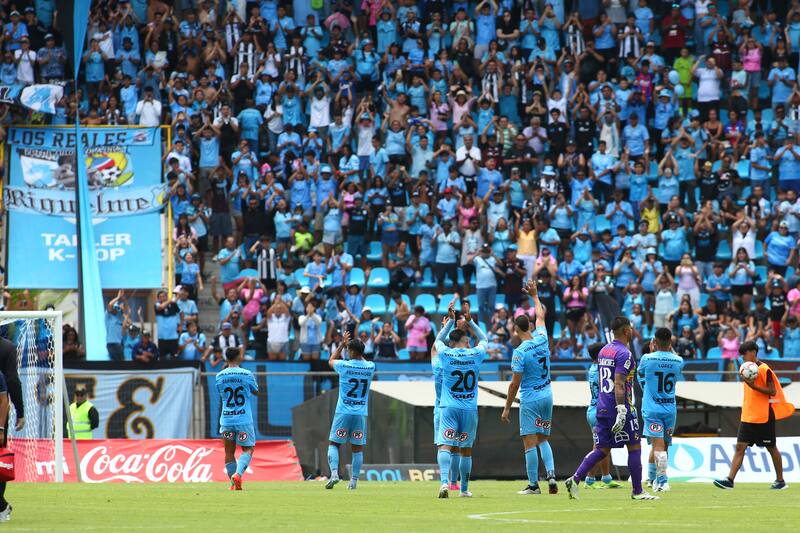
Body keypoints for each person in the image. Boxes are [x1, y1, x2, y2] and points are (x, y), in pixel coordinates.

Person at [565, 316, 658, 500]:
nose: (632, 331)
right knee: (634, 446)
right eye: (630, 328)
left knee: (602, 449)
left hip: (601, 406)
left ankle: (575, 478)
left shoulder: (604, 351)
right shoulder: (625, 354)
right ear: (626, 331)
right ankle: (638, 491)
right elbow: (619, 384)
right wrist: (622, 410)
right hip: (619, 406)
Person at [714, 341, 795, 490]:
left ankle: (780, 481)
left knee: (771, 447)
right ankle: (729, 480)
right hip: (748, 415)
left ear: (752, 352)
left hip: (763, 415)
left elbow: (772, 391)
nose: (743, 358)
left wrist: (753, 386)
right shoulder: (747, 369)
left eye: (744, 354)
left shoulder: (765, 369)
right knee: (740, 447)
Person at [501, 278, 557, 495]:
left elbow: (515, 384)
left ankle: (533, 485)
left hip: (531, 398)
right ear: (530, 326)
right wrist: (534, 295)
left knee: (529, 440)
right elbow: (541, 315)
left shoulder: (520, 352)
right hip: (547, 394)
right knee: (543, 438)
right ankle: (551, 476)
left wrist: (506, 408)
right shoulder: (542, 338)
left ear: (516, 330)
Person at [434, 301, 488, 499]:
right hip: (469, 409)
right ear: (465, 342)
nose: (470, 343)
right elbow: (484, 338)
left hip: (449, 407)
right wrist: (471, 322)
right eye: (467, 341)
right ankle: (464, 489)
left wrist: (450, 322)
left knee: (445, 445)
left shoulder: (446, 354)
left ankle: (444, 484)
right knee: (466, 449)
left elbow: (438, 340)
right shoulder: (475, 354)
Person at [325, 330, 375, 491]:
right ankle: (353, 482)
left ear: (352, 351)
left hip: (343, 411)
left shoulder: (344, 365)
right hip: (360, 414)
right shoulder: (370, 367)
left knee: (334, 443)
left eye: (348, 350)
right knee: (357, 447)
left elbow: (331, 360)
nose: (347, 351)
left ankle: (334, 474)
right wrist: (357, 350)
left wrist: (341, 345)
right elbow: (364, 359)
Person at [637, 328, 684, 492]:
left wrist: (652, 351)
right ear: (671, 342)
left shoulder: (647, 358)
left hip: (652, 409)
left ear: (654, 342)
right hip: (670, 409)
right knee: (664, 446)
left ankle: (662, 481)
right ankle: (654, 479)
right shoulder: (679, 360)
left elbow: (641, 375)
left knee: (657, 446)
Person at [216, 347, 258, 491]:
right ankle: (238, 475)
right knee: (248, 448)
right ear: (239, 357)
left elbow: (221, 393)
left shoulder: (219, 376)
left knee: (229, 452)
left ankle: (233, 484)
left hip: (227, 421)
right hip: (243, 421)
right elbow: (256, 391)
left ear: (226, 358)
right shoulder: (247, 374)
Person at [583, 342, 619, 489]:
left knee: (605, 445)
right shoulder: (602, 370)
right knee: (599, 448)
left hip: (594, 408)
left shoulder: (592, 369)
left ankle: (606, 477)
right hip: (600, 411)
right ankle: (589, 479)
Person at [0, 336, 23, 523]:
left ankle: (0, 505)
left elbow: (11, 382)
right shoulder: (7, 347)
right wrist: (20, 411)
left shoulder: (7, 347)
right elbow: (13, 381)